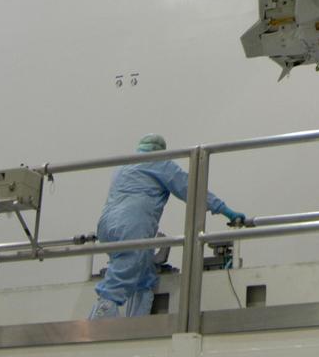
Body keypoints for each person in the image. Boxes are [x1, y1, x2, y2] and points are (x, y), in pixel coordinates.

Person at [88, 133, 247, 319]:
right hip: (132, 224)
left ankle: (138, 318)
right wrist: (225, 210)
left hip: (106, 226)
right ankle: (102, 315)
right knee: (125, 271)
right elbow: (192, 188)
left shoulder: (125, 165)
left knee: (143, 271)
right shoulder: (160, 163)